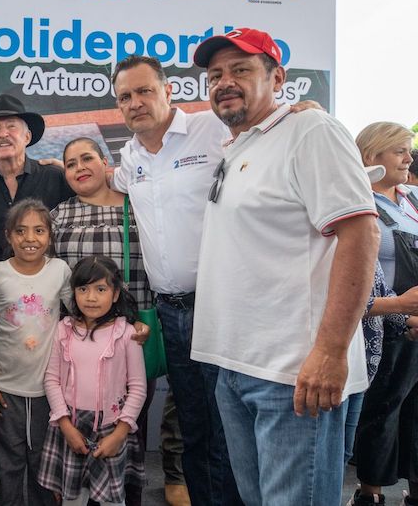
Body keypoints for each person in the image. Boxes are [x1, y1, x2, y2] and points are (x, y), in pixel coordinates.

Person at [190, 27, 379, 505]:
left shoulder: (311, 130)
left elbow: (360, 234)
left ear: (278, 78)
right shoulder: (238, 146)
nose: (224, 82)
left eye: (241, 70)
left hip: (294, 375)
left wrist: (331, 352)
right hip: (235, 367)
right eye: (215, 75)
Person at [110, 54, 239, 505]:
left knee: (228, 424)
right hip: (172, 310)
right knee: (193, 423)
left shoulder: (213, 129)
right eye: (125, 96)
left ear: (168, 92)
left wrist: (302, 114)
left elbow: (267, 133)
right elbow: (114, 182)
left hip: (221, 305)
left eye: (145, 91)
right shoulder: (130, 156)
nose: (136, 102)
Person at [51, 136, 187, 506]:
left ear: (106, 162)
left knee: (129, 429)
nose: (79, 168)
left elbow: (163, 264)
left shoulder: (136, 206)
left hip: (133, 334)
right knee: (77, 432)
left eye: (87, 158)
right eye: (70, 163)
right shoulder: (60, 214)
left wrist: (149, 318)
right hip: (77, 342)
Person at [38, 255, 146, 506]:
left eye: (101, 289)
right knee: (72, 499)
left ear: (116, 294)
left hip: (112, 427)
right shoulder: (63, 330)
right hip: (71, 426)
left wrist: (119, 434)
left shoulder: (126, 334)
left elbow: (138, 388)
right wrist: (65, 425)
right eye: (83, 289)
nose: (91, 297)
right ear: (73, 292)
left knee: (112, 500)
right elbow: (52, 379)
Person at [349, 121, 418, 506]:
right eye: (399, 151)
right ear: (372, 156)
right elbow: (362, 276)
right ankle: (370, 493)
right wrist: (402, 316)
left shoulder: (411, 199)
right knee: (382, 412)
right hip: (383, 327)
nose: (409, 157)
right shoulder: (360, 204)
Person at [0, 198, 72, 506]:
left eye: (39, 230)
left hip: (47, 390)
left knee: (43, 464)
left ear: (49, 236)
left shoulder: (59, 270)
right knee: (6, 464)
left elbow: (80, 316)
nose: (30, 239)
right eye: (21, 231)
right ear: (9, 235)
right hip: (4, 387)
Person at [0, 94, 74, 262]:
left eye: (11, 127)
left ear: (27, 137)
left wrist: (69, 171)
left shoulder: (54, 176)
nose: (3, 134)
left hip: (49, 281)